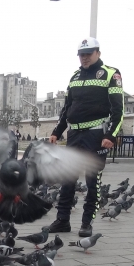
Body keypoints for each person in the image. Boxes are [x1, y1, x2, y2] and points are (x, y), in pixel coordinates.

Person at [48, 37, 124, 237]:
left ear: (98, 52)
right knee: (68, 179)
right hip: (74, 134)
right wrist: (57, 131)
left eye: (88, 54)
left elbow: (119, 110)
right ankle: (63, 220)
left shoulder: (111, 74)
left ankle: (87, 223)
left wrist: (111, 135)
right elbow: (67, 108)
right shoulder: (74, 77)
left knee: (93, 181)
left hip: (96, 135)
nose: (84, 58)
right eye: (81, 55)